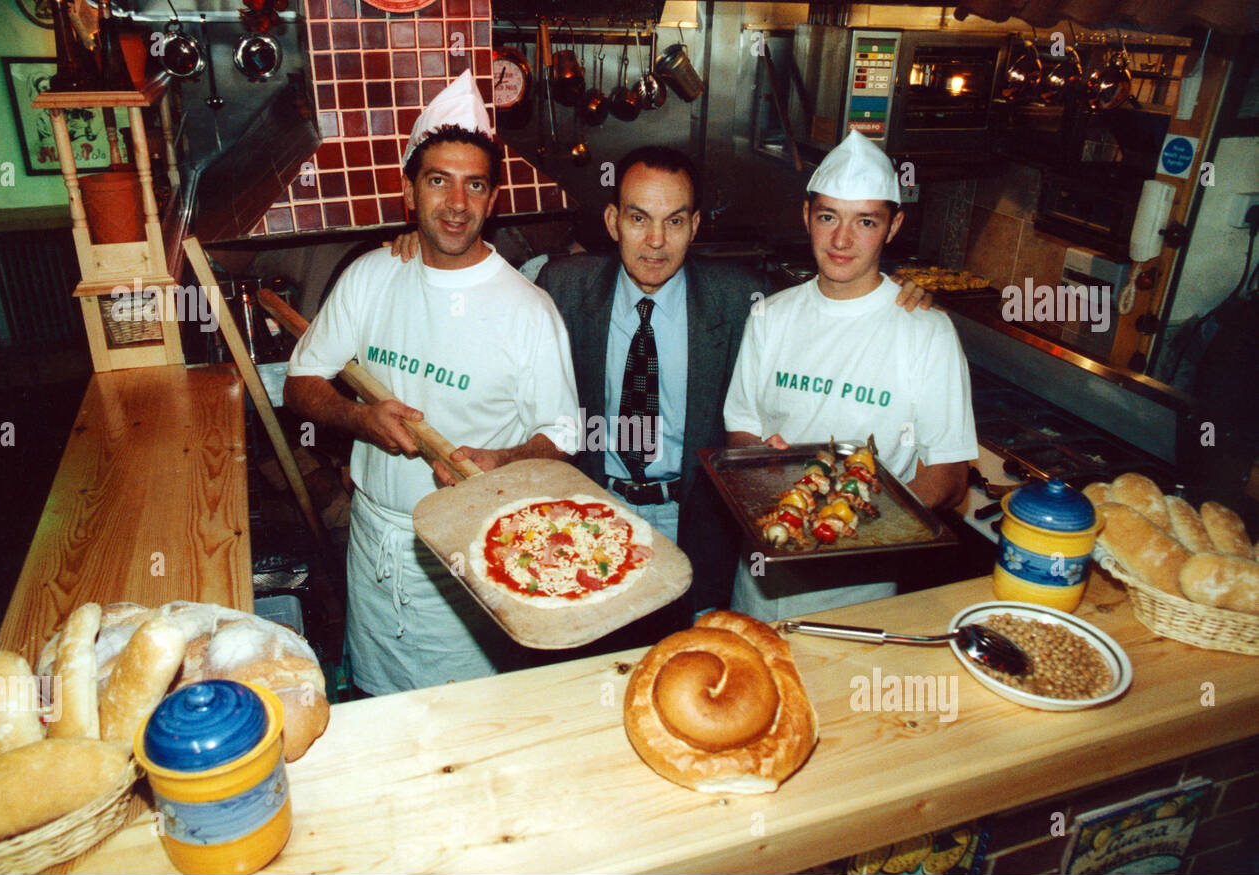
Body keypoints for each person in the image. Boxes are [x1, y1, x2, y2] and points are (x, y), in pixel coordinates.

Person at [390, 145, 931, 617]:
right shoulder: (562, 285)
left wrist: (893, 294)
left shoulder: (743, 300)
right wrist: (421, 247)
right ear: (611, 221)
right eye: (637, 218)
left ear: (695, 226)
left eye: (674, 221)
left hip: (695, 521)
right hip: (591, 507)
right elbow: (483, 283)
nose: (655, 241)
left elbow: (825, 308)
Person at [284, 71, 580, 695]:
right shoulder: (370, 277)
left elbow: (563, 436)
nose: (455, 203)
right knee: (378, 707)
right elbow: (302, 383)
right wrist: (360, 420)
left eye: (474, 185)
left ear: (492, 200)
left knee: (472, 719)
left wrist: (503, 459)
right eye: (438, 180)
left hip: (472, 551)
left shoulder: (528, 310)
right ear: (408, 192)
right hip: (374, 545)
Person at [724, 129, 979, 620]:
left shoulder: (926, 331)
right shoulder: (769, 316)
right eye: (827, 217)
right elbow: (740, 429)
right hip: (763, 576)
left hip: (864, 591)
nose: (841, 240)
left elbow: (949, 478)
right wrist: (759, 462)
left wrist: (856, 516)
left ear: (894, 225)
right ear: (806, 217)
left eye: (865, 221)